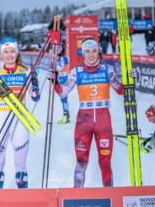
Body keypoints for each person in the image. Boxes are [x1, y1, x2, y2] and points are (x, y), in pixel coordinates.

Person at [49, 37, 124, 188]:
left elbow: (121, 90)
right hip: (84, 121)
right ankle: (77, 197)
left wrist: (131, 80)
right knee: (81, 162)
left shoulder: (107, 70)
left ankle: (109, 196)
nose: (91, 55)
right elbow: (63, 93)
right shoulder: (76, 72)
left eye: (94, 51)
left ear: (99, 52)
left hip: (104, 121)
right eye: (87, 51)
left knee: (105, 162)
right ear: (83, 53)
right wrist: (55, 82)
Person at [0, 36, 40, 189]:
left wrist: (34, 81)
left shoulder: (25, 71)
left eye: (12, 51)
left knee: (21, 168)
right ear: (2, 54)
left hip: (20, 119)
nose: (9, 55)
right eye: (6, 52)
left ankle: (23, 198)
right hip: (1, 117)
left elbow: (35, 97)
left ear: (17, 52)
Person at [54, 44, 70, 124]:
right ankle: (67, 115)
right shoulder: (63, 57)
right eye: (56, 49)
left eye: (59, 49)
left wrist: (55, 61)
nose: (57, 50)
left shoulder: (61, 58)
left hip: (63, 79)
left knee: (63, 99)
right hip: (62, 78)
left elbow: (59, 68)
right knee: (63, 99)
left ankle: (66, 116)